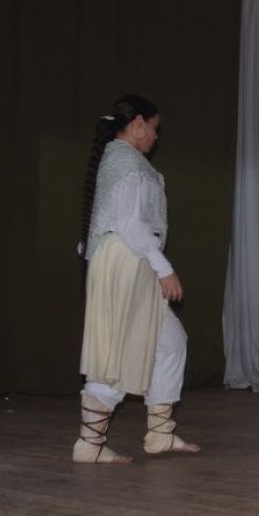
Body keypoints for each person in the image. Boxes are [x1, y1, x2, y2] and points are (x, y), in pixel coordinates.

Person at [73, 94, 200, 463]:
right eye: (154, 129)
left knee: (171, 342)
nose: (156, 137)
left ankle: (160, 433)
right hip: (129, 260)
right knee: (115, 350)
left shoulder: (121, 161)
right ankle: (89, 445)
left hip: (131, 259)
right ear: (138, 124)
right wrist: (165, 269)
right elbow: (130, 223)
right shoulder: (125, 162)